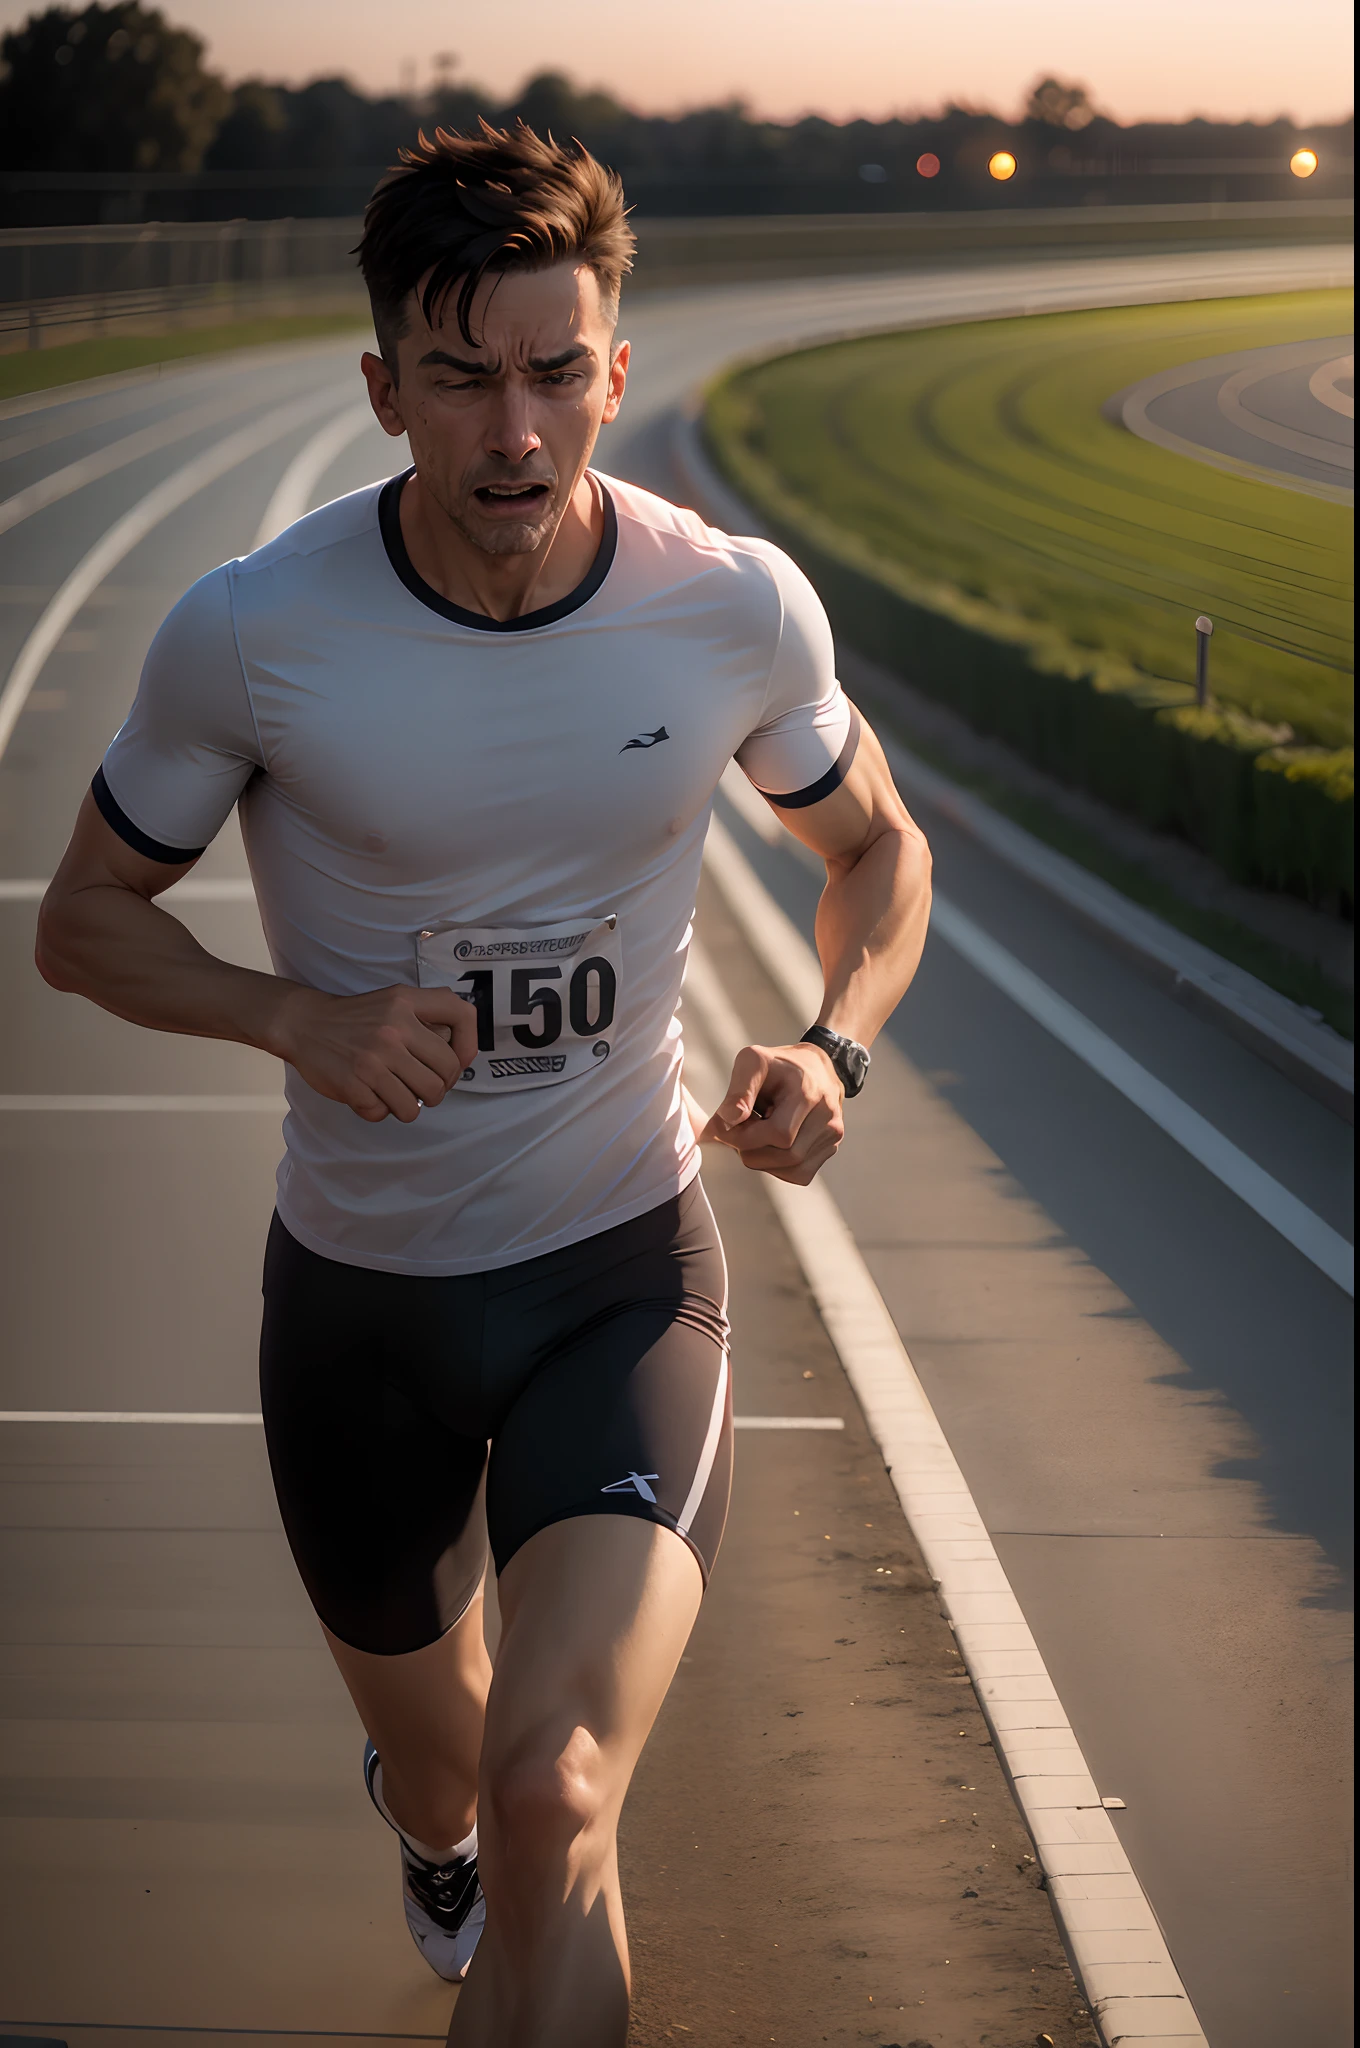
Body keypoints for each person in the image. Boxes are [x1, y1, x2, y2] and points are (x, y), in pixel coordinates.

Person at [35, 122, 932, 2047]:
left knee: (559, 1800)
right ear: (384, 390)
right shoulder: (256, 634)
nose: (514, 430)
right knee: (459, 1797)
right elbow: (83, 925)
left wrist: (833, 1045)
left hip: (613, 1277)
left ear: (616, 367)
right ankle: (422, 1826)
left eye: (553, 372)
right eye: (460, 378)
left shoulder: (731, 608)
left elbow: (880, 852)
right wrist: (296, 1017)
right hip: (355, 1316)